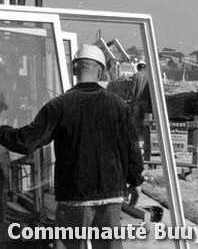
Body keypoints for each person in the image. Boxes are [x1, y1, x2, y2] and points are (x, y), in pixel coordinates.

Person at [0, 44, 144, 249]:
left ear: (74, 70)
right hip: (111, 194)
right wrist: (136, 180)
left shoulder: (59, 105)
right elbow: (131, 147)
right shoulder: (119, 105)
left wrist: (1, 131)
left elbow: (26, 141)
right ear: (101, 71)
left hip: (74, 196)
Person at [131, 61, 152, 143]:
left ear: (138, 67)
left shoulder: (136, 75)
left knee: (136, 118)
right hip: (146, 99)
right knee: (146, 118)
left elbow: (133, 89)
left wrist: (132, 99)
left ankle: (137, 134)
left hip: (137, 100)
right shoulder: (149, 75)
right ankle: (146, 134)